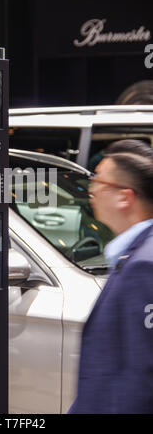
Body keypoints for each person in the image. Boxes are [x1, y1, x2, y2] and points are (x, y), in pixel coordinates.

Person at [68, 139, 153, 414]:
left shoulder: (144, 267)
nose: (91, 189)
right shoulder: (133, 255)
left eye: (99, 181)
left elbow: (142, 378)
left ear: (124, 196)